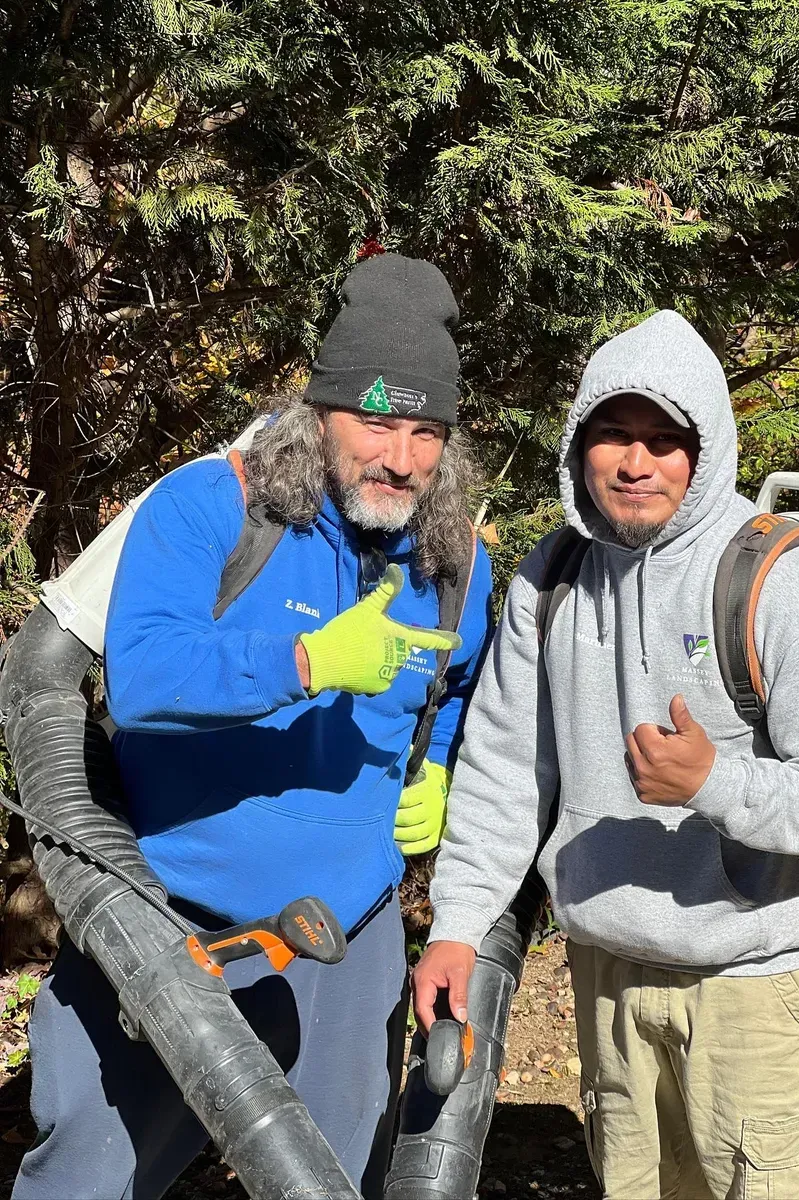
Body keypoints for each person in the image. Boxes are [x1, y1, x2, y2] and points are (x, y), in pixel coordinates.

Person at [14, 252, 493, 1200]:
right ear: (320, 412)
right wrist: (305, 664)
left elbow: (458, 690)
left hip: (345, 940)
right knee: (84, 1172)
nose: (399, 457)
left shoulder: (457, 562)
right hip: (164, 920)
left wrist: (433, 772)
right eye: (376, 420)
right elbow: (144, 678)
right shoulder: (211, 506)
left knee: (327, 1179)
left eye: (425, 430)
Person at [414, 309, 799, 1200]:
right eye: (613, 436)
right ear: (579, 444)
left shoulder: (775, 577)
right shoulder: (549, 579)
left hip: (756, 989)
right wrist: (454, 925)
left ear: (705, 452)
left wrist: (715, 781)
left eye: (663, 441)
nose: (634, 463)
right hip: (609, 978)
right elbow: (503, 775)